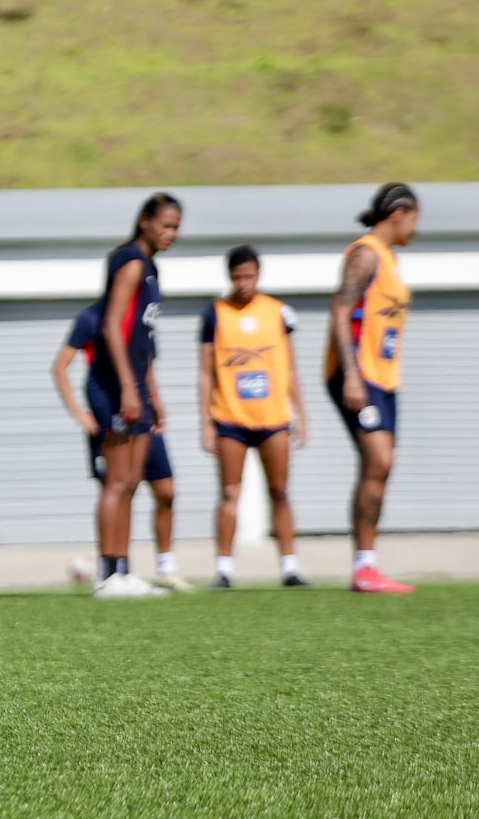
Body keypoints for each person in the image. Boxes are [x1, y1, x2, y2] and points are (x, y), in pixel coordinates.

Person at [50, 304, 192, 592]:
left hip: (143, 415)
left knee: (163, 490)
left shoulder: (143, 316)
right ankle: (110, 572)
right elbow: (60, 367)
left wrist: (156, 400)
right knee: (117, 485)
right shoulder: (92, 318)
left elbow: (145, 364)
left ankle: (161, 568)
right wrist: (82, 415)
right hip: (112, 414)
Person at [85, 192, 183, 599]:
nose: (171, 233)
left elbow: (142, 338)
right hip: (114, 384)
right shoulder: (129, 262)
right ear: (145, 221)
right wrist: (127, 386)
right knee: (118, 479)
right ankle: (107, 573)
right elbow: (111, 326)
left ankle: (123, 571)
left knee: (132, 480)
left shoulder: (150, 268)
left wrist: (152, 393)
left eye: (177, 227)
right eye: (166, 225)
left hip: (137, 385)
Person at [325, 183, 419, 595]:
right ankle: (364, 567)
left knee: (380, 466)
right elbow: (341, 311)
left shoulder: (390, 260)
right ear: (399, 213)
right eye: (415, 219)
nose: (416, 228)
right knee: (378, 461)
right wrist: (350, 374)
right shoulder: (365, 254)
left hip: (382, 379)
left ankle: (367, 567)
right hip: (357, 375)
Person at [199, 245, 309, 589]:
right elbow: (205, 373)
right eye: (237, 277)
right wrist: (205, 421)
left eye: (249, 276)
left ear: (258, 275)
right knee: (230, 493)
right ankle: (224, 570)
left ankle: (290, 567)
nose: (243, 283)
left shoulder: (278, 313)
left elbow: (290, 369)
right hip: (230, 418)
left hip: (273, 418)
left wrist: (300, 414)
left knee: (280, 491)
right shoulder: (214, 314)